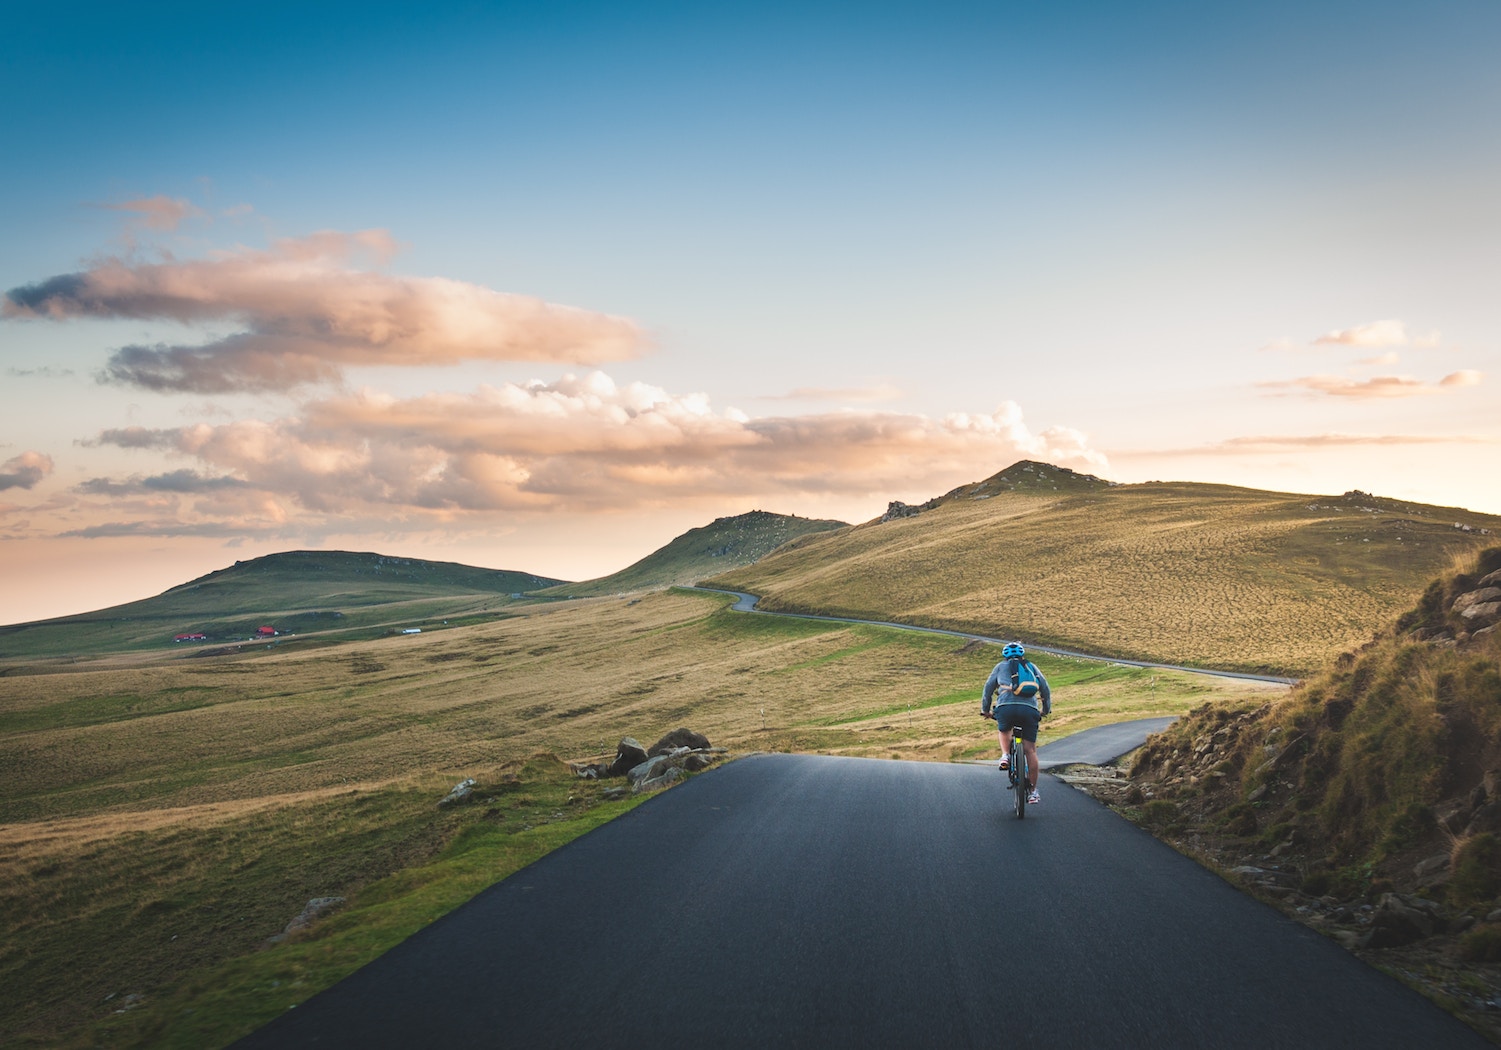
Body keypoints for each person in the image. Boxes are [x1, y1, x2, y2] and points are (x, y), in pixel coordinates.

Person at [981, 642, 1051, 804]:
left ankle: (1005, 755)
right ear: (1022, 655)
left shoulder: (1000, 667)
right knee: (1030, 751)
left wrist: (986, 710)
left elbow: (988, 689)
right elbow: (1045, 689)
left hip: (1006, 707)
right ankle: (1033, 792)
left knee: (1004, 730)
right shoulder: (1031, 667)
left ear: (1005, 656)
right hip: (1030, 709)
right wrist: (1045, 710)